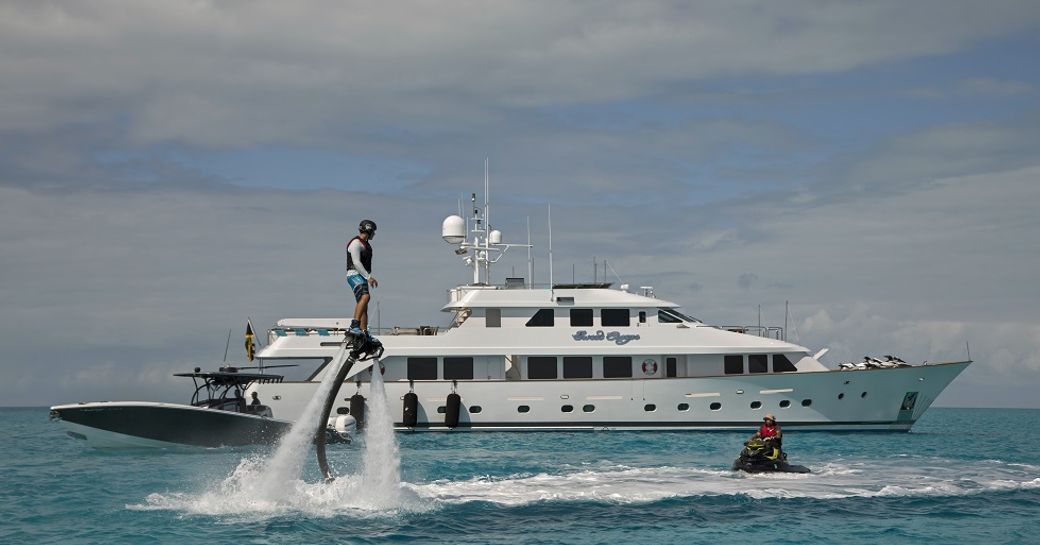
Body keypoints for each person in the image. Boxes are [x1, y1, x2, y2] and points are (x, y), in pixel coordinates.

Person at [346, 219, 378, 338]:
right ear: (369, 230)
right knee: (365, 296)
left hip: (361, 275)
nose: (374, 234)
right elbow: (356, 262)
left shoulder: (366, 244)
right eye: (373, 231)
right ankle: (354, 326)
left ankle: (364, 331)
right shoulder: (356, 243)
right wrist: (369, 277)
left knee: (364, 304)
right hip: (354, 274)